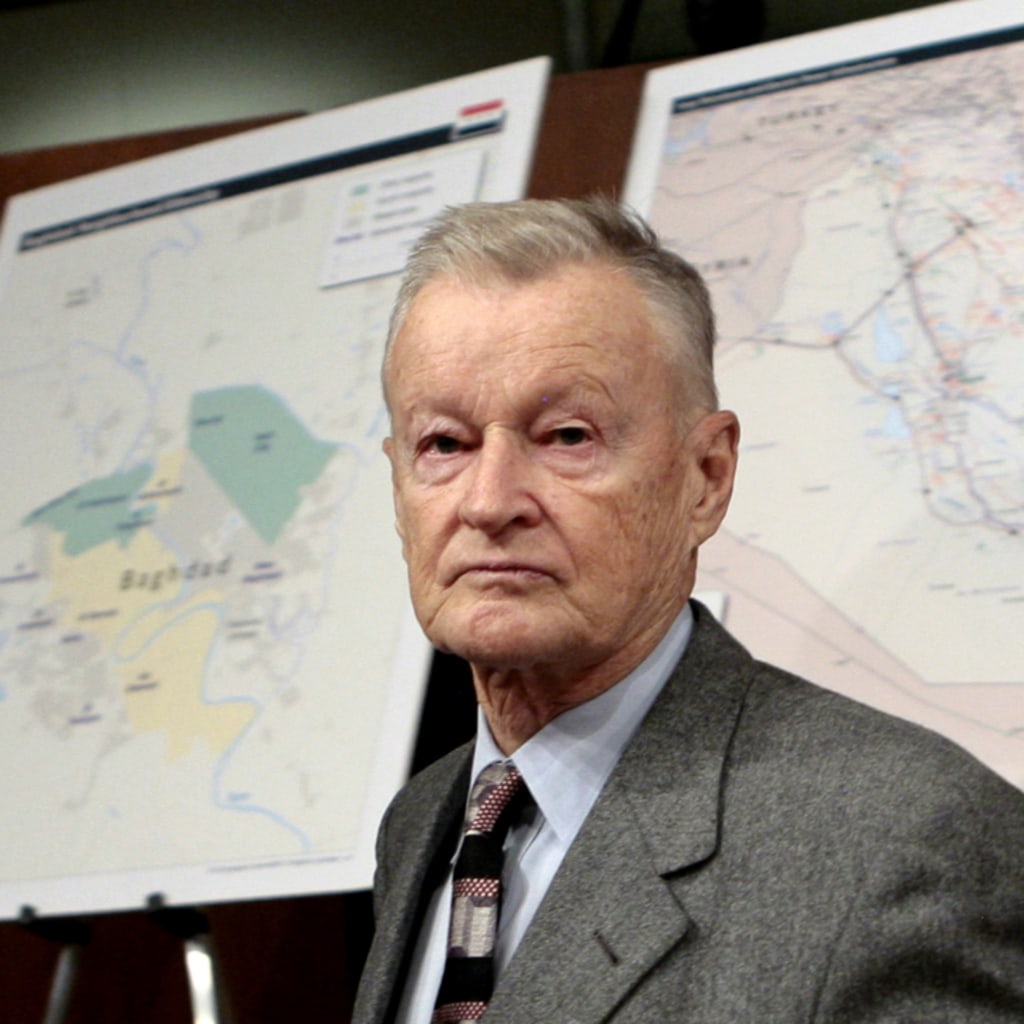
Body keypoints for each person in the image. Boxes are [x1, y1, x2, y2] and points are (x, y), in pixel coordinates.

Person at [352, 197, 1024, 1024]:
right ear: (397, 482)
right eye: (444, 445)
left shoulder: (905, 837)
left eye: (567, 437)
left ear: (706, 476)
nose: (489, 502)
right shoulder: (421, 823)